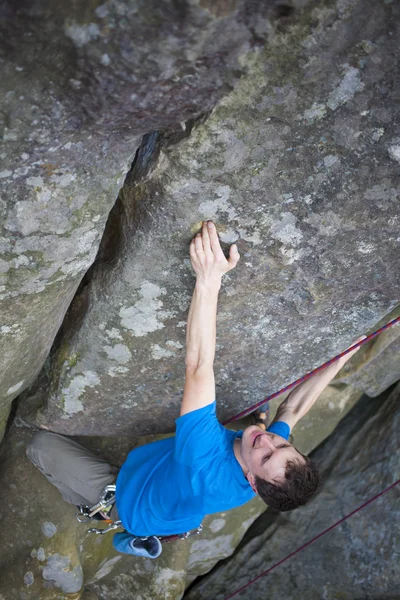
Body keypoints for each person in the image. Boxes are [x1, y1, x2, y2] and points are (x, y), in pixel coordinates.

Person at [27, 220, 362, 558]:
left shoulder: (203, 460)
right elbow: (293, 410)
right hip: (175, 504)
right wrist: (338, 361)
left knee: (38, 443)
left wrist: (209, 279)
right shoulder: (267, 469)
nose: (268, 441)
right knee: (257, 430)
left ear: (252, 482)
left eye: (266, 454)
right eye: (282, 443)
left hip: (132, 505)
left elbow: (199, 365)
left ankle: (102, 510)